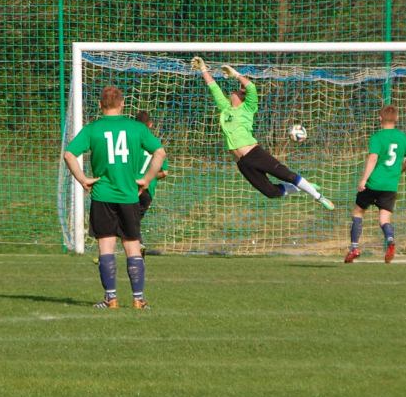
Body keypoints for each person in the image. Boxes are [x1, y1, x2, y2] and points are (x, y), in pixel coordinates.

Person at [63, 86, 166, 310]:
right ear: (122, 104)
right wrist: (147, 179)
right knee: (132, 246)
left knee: (106, 246)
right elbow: (160, 152)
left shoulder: (93, 129)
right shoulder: (136, 128)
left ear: (100, 105)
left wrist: (82, 179)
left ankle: (111, 298)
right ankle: (138, 299)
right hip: (129, 195)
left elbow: (69, 154)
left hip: (102, 195)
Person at [191, 56, 334, 210]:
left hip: (254, 153)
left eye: (238, 90)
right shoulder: (225, 109)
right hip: (242, 162)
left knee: (287, 175)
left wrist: (236, 74)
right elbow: (213, 87)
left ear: (242, 97)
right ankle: (301, 186)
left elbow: (251, 87)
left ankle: (319, 197)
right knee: (271, 192)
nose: (233, 91)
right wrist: (203, 69)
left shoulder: (247, 108)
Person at [344, 105, 406, 264]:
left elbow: (373, 158)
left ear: (379, 119)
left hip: (373, 183)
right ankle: (390, 240)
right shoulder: (402, 137)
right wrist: (400, 169)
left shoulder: (377, 137)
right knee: (384, 219)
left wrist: (364, 179)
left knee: (358, 212)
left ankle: (354, 248)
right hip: (390, 185)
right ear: (396, 119)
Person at [135, 111, 169, 257]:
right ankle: (137, 246)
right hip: (147, 190)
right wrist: (150, 178)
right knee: (132, 219)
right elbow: (164, 172)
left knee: (125, 220)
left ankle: (106, 251)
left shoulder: (131, 143)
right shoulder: (155, 145)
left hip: (130, 186)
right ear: (150, 125)